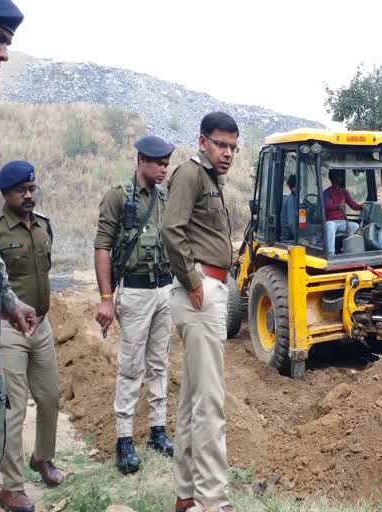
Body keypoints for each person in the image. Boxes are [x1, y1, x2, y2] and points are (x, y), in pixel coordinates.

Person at [163, 112, 237, 512]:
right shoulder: (191, 174)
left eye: (232, 147)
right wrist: (192, 282)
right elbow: (170, 229)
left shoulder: (212, 179)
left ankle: (187, 496)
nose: (227, 153)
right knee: (210, 402)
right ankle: (213, 499)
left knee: (193, 400)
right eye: (221, 144)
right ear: (203, 142)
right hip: (201, 292)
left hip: (209, 289)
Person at [93, 135, 176, 475]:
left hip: (164, 290)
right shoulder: (118, 197)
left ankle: (158, 431)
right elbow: (102, 247)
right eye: (159, 163)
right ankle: (124, 438)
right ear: (142, 160)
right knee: (131, 367)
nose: (164, 170)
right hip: (136, 292)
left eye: (168, 164)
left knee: (159, 364)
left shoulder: (166, 197)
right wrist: (106, 298)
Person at [0, 162, 61, 512]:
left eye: (33, 188)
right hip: (10, 328)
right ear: (6, 193)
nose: (30, 195)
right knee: (14, 408)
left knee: (50, 396)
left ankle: (43, 459)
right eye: (22, 190)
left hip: (43, 325)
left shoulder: (44, 227)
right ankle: (12, 487)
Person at [323, 168, 363, 255]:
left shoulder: (344, 192)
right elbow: (327, 205)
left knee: (355, 226)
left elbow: (352, 204)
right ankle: (331, 253)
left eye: (340, 175)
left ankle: (348, 249)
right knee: (330, 226)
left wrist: (361, 207)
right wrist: (338, 206)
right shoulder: (326, 192)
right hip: (331, 222)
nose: (339, 177)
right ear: (332, 178)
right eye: (338, 175)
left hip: (342, 222)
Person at [280, 174, 297, 240]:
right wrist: (299, 239)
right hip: (288, 238)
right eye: (299, 184)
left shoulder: (292, 198)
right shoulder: (291, 200)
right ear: (294, 186)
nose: (301, 187)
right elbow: (292, 224)